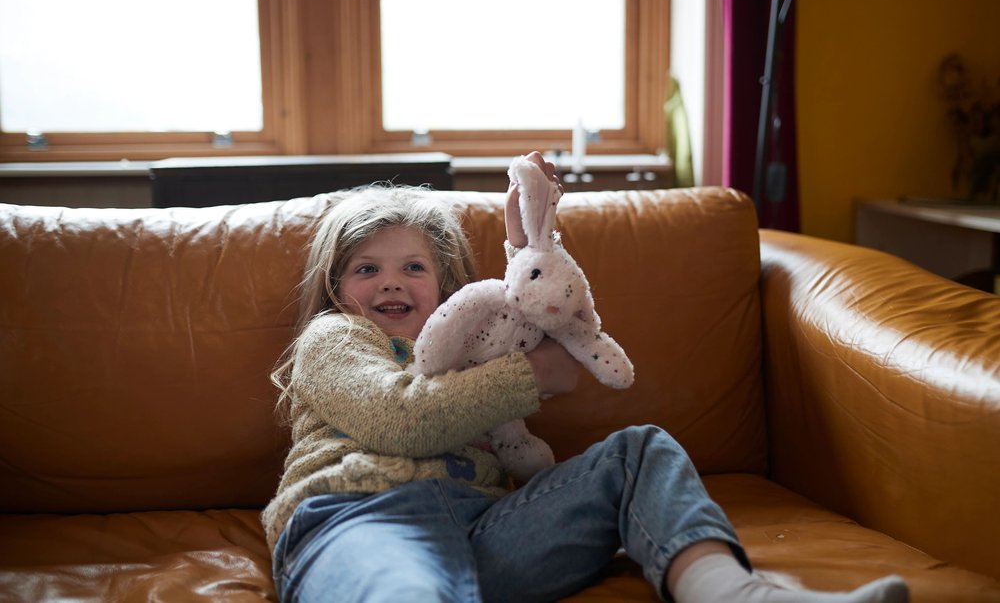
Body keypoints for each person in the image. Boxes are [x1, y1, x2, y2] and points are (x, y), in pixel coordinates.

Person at [262, 152, 909, 603]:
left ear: (451, 289)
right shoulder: (335, 338)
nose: (392, 282)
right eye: (367, 270)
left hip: (485, 534)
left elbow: (539, 301)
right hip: (359, 522)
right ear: (335, 289)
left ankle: (734, 592)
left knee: (638, 453)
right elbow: (400, 418)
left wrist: (525, 239)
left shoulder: (471, 347)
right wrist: (530, 377)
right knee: (406, 591)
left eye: (412, 267)